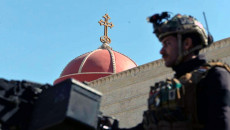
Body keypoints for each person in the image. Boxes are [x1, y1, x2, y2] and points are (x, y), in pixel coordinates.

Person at [114, 12, 230, 130]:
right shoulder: (172, 88)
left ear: (186, 43)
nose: (161, 51)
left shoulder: (213, 76)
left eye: (167, 43)